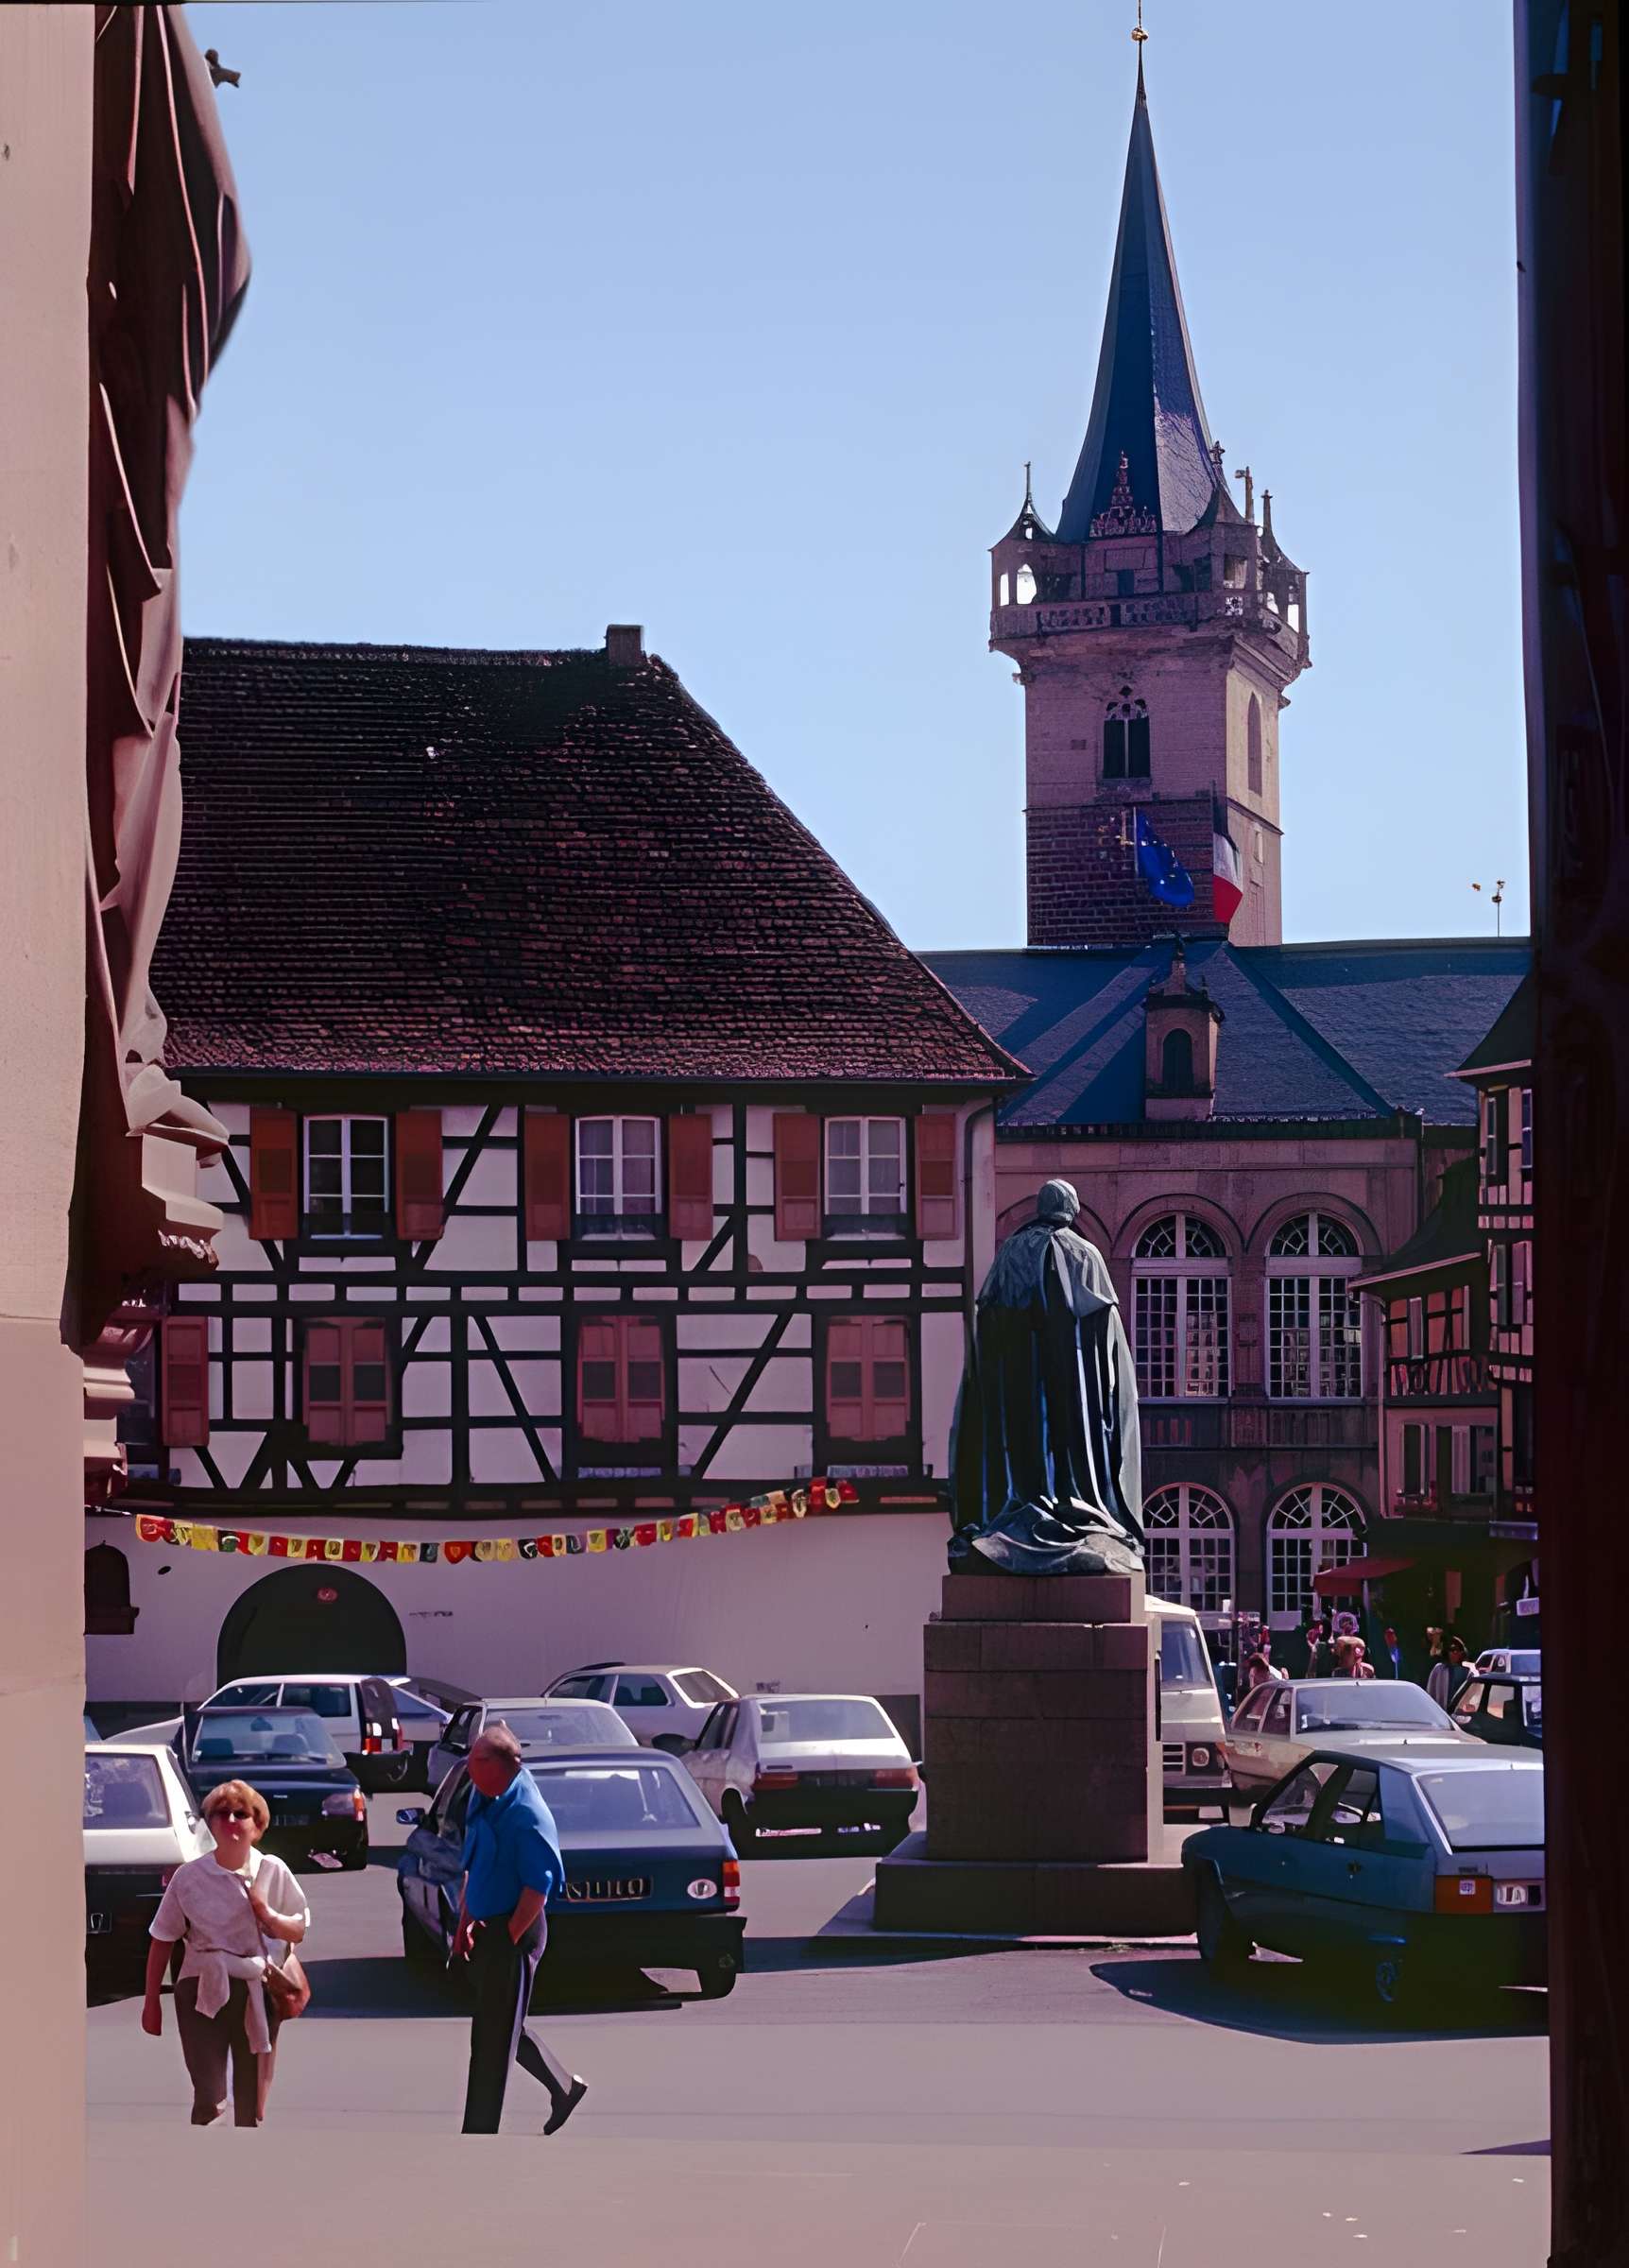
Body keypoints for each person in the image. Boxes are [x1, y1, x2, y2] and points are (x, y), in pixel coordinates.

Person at [142, 1778, 308, 2127]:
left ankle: (244, 2172)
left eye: (241, 1814)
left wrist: (266, 1913)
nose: (231, 1820)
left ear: (257, 1825)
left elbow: (298, 1929)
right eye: (221, 1813)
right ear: (210, 1823)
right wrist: (152, 2001)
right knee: (208, 2098)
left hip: (257, 1991)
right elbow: (162, 1938)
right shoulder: (189, 1877)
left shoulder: (272, 1871)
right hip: (202, 1988)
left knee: (252, 2105)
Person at [455, 1725, 588, 2137]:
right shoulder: (484, 1798)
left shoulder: (527, 1815)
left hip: (517, 1928)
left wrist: (508, 1938)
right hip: (488, 1925)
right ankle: (564, 2088)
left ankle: (479, 2135)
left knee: (492, 2041)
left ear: (507, 1765)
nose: (469, 1769)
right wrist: (463, 1923)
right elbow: (474, 1867)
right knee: (500, 2024)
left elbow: (538, 1889)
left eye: (479, 1762)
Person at [1427, 1635, 1472, 1710]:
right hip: (1440, 1710)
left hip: (1459, 1712)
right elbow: (1430, 1691)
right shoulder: (1439, 1669)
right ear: (1447, 1652)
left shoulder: (1467, 1671)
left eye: (1458, 1650)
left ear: (1462, 1652)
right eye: (1452, 1650)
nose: (1455, 1653)